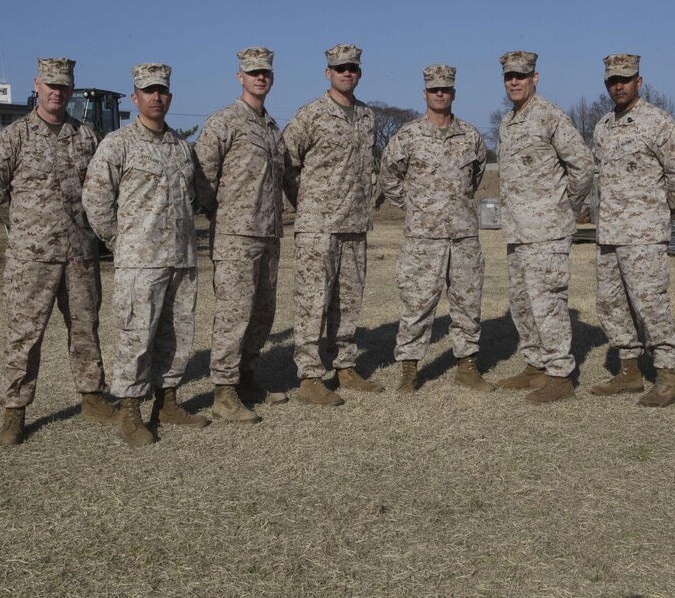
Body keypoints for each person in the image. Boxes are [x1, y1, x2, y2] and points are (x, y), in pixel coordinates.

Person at [0, 57, 118, 446]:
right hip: (31, 257)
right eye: (51, 85)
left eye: (64, 86)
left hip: (79, 254)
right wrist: (22, 224)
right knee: (25, 335)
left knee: (86, 327)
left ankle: (92, 397)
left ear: (71, 90)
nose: (57, 92)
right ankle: (14, 411)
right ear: (37, 85)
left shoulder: (86, 138)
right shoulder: (15, 136)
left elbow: (100, 190)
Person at [82, 63, 208, 447]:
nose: (156, 97)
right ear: (135, 96)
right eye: (149, 91)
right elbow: (95, 198)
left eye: (162, 91)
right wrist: (120, 242)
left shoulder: (182, 148)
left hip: (182, 258)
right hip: (140, 261)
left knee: (177, 336)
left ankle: (167, 402)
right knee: (136, 338)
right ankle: (130, 412)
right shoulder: (118, 144)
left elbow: (193, 197)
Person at [378, 64, 496, 394]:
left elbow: (475, 177)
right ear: (425, 94)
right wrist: (416, 206)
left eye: (445, 89)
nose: (440, 93)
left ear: (453, 93)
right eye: (434, 89)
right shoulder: (408, 136)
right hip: (422, 238)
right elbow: (388, 176)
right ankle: (409, 370)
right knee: (416, 305)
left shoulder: (470, 136)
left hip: (463, 236)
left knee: (467, 304)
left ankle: (467, 367)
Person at [588, 54, 675, 407]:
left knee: (650, 305)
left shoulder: (657, 122)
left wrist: (657, 209)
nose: (618, 85)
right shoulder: (603, 126)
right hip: (610, 234)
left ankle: (666, 376)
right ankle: (630, 370)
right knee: (610, 304)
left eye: (625, 79)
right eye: (612, 81)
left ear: (639, 81)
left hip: (644, 234)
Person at [282, 43, 381, 406]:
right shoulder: (310, 115)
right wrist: (307, 203)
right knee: (313, 301)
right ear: (328, 73)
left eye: (352, 68)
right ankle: (309, 376)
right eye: (340, 68)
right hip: (318, 225)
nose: (346, 73)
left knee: (348, 302)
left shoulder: (367, 115)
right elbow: (287, 163)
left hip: (355, 224)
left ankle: (345, 366)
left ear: (359, 72)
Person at [194, 47, 288, 423]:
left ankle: (246, 376)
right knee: (234, 313)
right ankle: (223, 391)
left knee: (262, 313)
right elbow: (203, 178)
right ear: (240, 77)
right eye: (252, 73)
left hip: (268, 234)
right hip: (235, 235)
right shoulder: (224, 122)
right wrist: (224, 213)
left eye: (265, 72)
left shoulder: (271, 127)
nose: (259, 78)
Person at [495, 51, 594, 402]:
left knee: (548, 303)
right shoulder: (509, 121)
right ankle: (535, 365)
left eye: (521, 75)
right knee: (522, 303)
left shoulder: (549, 115)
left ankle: (560, 375)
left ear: (535, 77)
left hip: (547, 230)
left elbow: (582, 164)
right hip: (518, 231)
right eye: (509, 76)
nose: (515, 82)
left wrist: (565, 206)